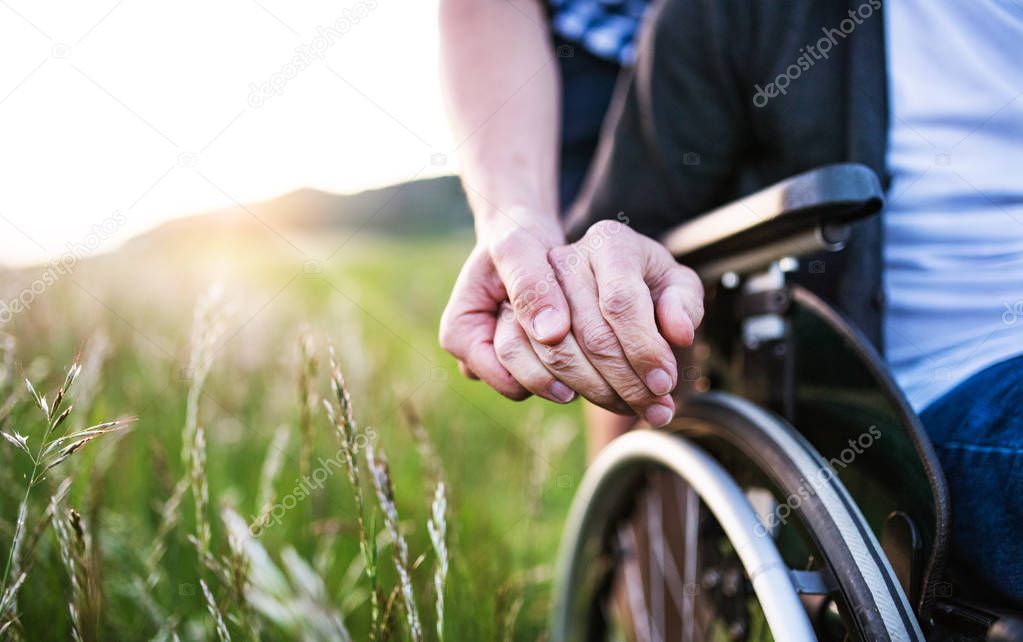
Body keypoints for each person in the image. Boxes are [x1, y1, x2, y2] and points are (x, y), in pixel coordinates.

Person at [439, 0, 1023, 606]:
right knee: (622, 295)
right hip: (599, 52)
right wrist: (518, 225)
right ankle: (626, 563)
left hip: (716, 66)